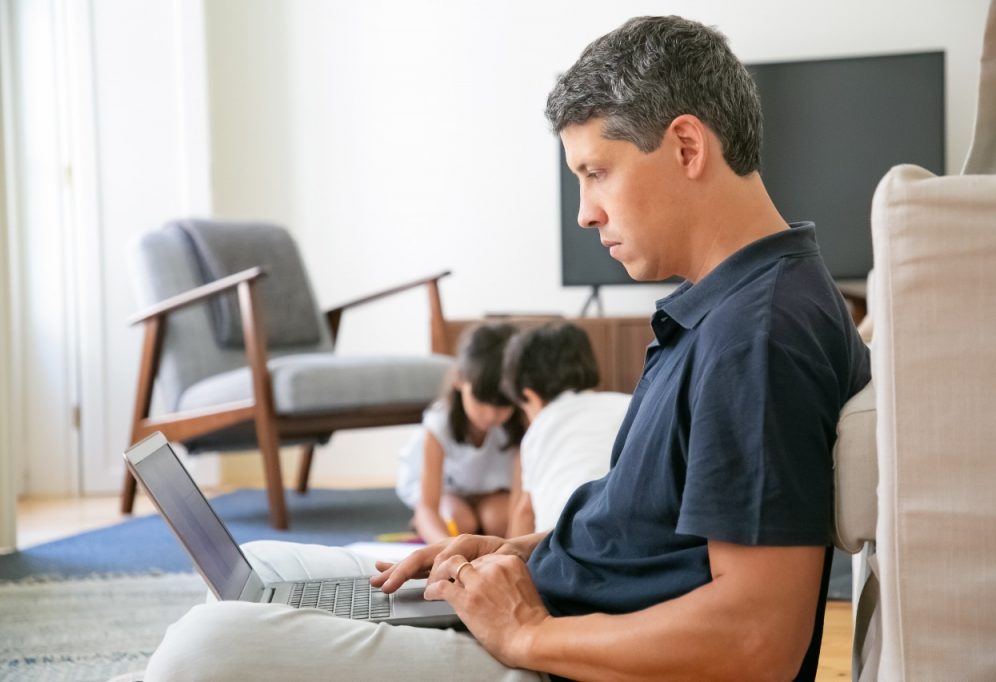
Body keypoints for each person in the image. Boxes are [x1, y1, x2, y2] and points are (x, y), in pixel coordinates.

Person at [145, 15, 870, 681]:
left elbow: (757, 640)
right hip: (550, 619)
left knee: (206, 649)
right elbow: (646, 537)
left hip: (559, 658)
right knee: (262, 569)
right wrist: (510, 554)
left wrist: (522, 634)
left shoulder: (759, 334)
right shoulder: (732, 306)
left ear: (686, 146)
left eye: (596, 172)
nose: (586, 212)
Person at [395, 322, 525, 544]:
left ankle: (478, 523)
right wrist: (446, 550)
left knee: (498, 519)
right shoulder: (439, 423)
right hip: (446, 491)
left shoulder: (520, 422)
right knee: (458, 522)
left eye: (504, 405)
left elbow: (521, 503)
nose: (492, 414)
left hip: (493, 491)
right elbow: (428, 506)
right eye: (481, 401)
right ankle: (427, 524)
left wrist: (512, 552)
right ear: (458, 379)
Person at [501, 322, 630, 535]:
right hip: (633, 540)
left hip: (562, 548)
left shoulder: (538, 431)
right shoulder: (629, 405)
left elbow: (525, 513)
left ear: (531, 396)